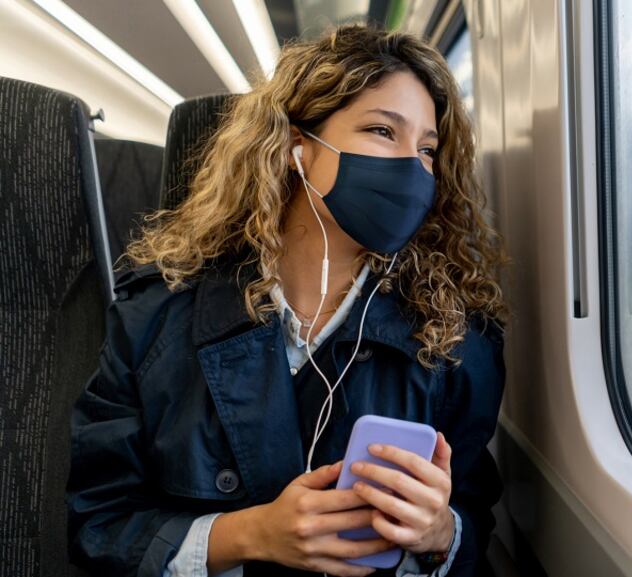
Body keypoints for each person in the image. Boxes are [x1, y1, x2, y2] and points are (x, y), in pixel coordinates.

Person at [66, 24, 507, 577]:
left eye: (425, 149)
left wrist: (440, 533)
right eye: (381, 131)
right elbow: (97, 524)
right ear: (296, 147)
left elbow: (473, 518)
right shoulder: (154, 317)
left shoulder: (456, 338)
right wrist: (250, 535)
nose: (410, 168)